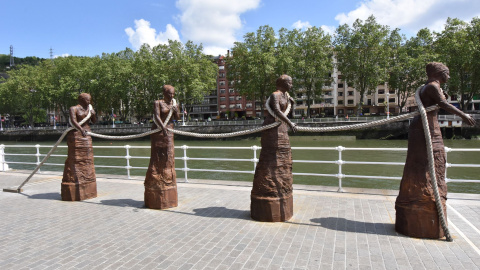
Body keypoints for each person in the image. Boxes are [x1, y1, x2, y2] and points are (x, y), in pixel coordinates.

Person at [395, 62, 476, 238]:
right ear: (439, 73)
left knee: (433, 160)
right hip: (426, 129)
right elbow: (443, 104)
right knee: (428, 161)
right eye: (447, 73)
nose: (449, 76)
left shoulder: (429, 87)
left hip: (428, 127)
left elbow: (439, 102)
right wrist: (464, 116)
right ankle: (421, 198)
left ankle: (426, 196)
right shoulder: (432, 86)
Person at [251, 74, 297, 222]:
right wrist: (290, 124)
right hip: (272, 129)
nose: (291, 84)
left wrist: (292, 104)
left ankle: (282, 188)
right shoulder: (275, 95)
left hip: (282, 129)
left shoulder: (286, 96)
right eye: (289, 82)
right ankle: (268, 192)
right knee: (271, 159)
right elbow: (276, 112)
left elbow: (290, 113)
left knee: (283, 160)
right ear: (282, 83)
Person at [144, 85, 180, 209]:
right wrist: (163, 127)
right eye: (170, 94)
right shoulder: (158, 103)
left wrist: (176, 111)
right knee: (156, 156)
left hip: (169, 132)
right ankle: (155, 181)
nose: (172, 96)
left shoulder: (174, 104)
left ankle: (167, 180)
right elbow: (157, 116)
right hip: (158, 131)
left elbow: (178, 118)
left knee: (168, 156)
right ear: (164, 93)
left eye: (173, 94)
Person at [61, 93, 97, 201]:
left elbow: (94, 121)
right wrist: (81, 130)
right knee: (76, 158)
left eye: (90, 100)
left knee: (87, 157)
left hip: (87, 135)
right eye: (87, 100)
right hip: (77, 135)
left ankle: (87, 178)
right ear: (81, 100)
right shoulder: (74, 108)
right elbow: (73, 121)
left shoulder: (89, 109)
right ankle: (75, 179)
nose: (89, 102)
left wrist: (93, 114)